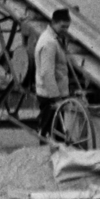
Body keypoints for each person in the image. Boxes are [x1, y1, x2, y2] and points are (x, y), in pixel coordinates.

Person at [33, 8, 72, 139]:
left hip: (55, 94)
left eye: (67, 27)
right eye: (63, 26)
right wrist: (56, 98)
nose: (65, 30)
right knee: (48, 132)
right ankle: (45, 156)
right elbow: (47, 73)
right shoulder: (48, 42)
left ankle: (54, 156)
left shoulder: (55, 39)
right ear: (54, 22)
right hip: (50, 95)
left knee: (56, 131)